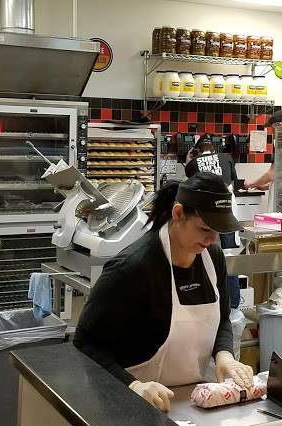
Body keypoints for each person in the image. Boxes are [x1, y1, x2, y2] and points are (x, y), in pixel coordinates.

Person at [73, 173, 254, 412]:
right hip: (129, 405)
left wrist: (224, 355)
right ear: (177, 213)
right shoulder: (132, 268)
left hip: (189, 403)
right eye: (204, 229)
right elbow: (86, 342)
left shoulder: (212, 257)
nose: (212, 239)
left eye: (218, 231)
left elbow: (221, 319)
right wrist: (133, 386)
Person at [185, 135, 242, 311]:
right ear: (214, 148)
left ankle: (208, 301)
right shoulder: (227, 157)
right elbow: (234, 184)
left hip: (206, 215)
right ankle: (233, 305)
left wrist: (188, 161)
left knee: (205, 256)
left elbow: (190, 184)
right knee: (230, 258)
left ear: (196, 150)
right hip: (228, 212)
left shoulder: (194, 163)